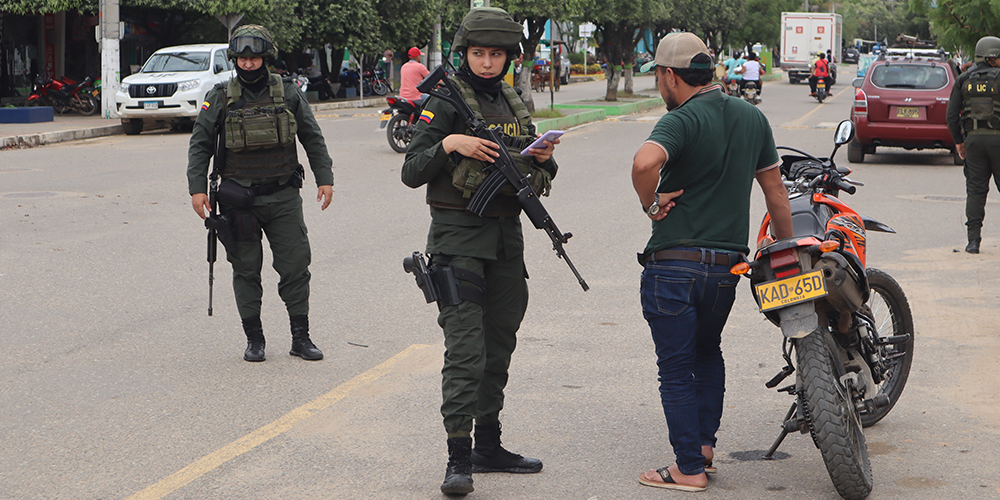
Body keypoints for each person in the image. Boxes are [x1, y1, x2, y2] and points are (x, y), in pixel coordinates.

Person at [400, 7, 559, 496]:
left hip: (507, 241)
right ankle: (458, 458)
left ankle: (489, 445)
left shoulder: (512, 100)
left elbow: (537, 173)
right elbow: (412, 171)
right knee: (466, 352)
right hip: (457, 241)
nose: (487, 63)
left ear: (509, 58)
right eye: (478, 54)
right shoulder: (444, 102)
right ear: (464, 54)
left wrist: (545, 161)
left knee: (499, 346)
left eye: (496, 55)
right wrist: (450, 143)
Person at [630, 32, 793, 492]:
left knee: (677, 367)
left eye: (658, 78)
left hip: (674, 266)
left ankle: (688, 469)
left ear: (668, 75)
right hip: (725, 269)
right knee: (708, 352)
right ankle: (702, 448)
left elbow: (644, 163)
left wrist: (651, 204)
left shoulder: (680, 120)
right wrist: (786, 249)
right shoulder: (751, 117)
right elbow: (776, 193)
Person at [187, 25, 333, 362]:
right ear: (234, 58)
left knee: (296, 267)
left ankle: (301, 338)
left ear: (265, 57)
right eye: (242, 57)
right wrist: (197, 189)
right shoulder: (220, 95)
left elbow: (312, 137)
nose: (248, 63)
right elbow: (200, 145)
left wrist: (324, 177)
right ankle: (255, 340)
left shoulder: (290, 93)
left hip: (283, 196)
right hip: (239, 201)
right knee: (246, 269)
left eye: (254, 57)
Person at [947, 35, 1000, 254]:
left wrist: (959, 143)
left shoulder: (964, 79)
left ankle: (973, 242)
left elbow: (951, 115)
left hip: (974, 142)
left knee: (976, 192)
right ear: (992, 58)